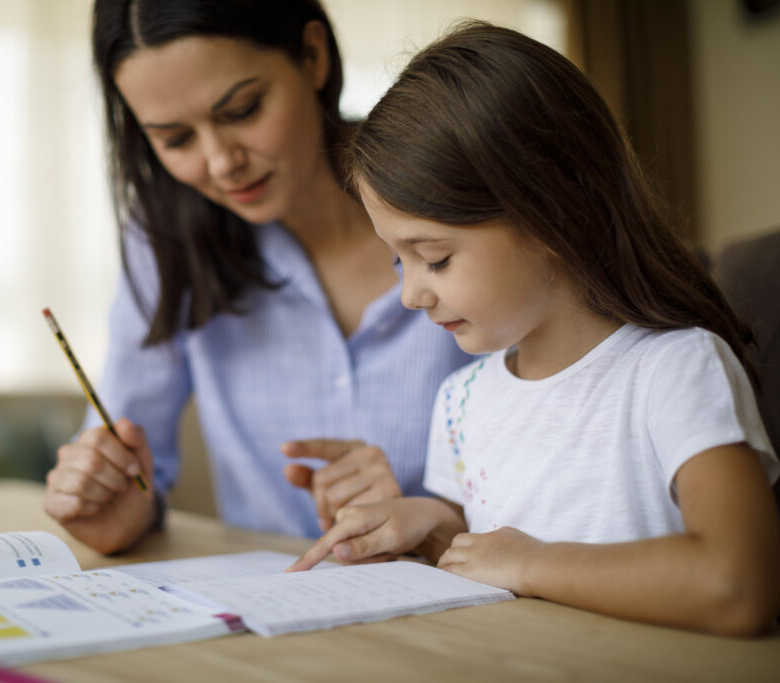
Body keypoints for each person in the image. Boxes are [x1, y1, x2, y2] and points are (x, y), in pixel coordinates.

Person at [289, 21, 780, 636]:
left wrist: (532, 561)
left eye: (435, 257)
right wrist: (424, 523)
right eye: (397, 259)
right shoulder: (461, 401)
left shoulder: (677, 370)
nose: (411, 294)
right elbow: (479, 553)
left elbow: (737, 584)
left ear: (551, 214)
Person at [42, 0, 471, 554]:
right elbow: (129, 449)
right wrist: (120, 505)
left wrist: (441, 512)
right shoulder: (167, 241)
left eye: (242, 110)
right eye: (175, 139)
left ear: (312, 56)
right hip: (269, 614)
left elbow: (565, 470)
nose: (221, 162)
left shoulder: (456, 191)